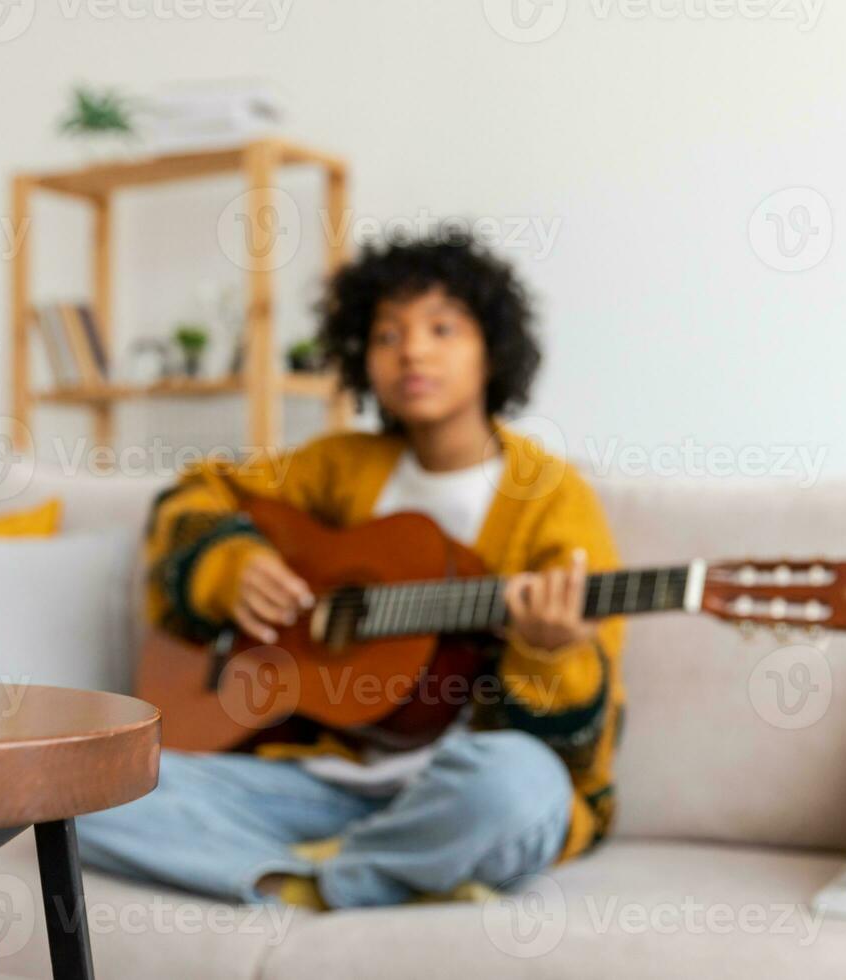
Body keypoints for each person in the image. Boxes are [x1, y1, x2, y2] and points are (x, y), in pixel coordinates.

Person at [75, 232, 625, 910]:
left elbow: (577, 738)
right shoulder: (340, 466)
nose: (412, 351)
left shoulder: (552, 497)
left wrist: (552, 653)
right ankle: (380, 877)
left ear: (493, 349)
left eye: (441, 329)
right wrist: (232, 564)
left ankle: (310, 882)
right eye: (387, 335)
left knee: (519, 788)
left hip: (455, 788)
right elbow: (197, 495)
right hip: (309, 786)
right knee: (80, 784)